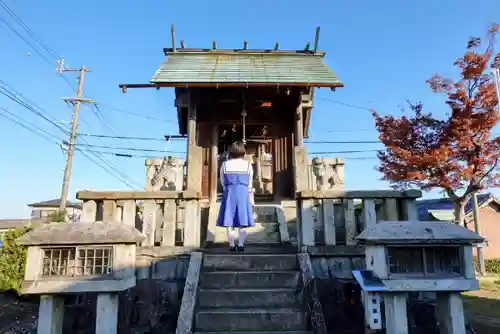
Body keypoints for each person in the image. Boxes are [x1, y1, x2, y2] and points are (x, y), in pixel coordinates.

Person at [217, 141, 255, 252]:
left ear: (231, 151)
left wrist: (227, 188)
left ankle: (232, 245)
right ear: (243, 151)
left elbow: (222, 181)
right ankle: (241, 244)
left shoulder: (225, 164)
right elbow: (250, 183)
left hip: (230, 193)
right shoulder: (248, 165)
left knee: (230, 221)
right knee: (242, 220)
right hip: (243, 193)